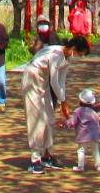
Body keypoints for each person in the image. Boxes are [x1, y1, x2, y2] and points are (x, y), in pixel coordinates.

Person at [22, 33, 91, 173]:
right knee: (37, 118)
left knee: (49, 118)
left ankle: (47, 154)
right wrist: (63, 101)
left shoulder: (66, 58)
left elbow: (61, 82)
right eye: (79, 53)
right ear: (73, 48)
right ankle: (34, 159)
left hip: (43, 82)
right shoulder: (55, 54)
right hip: (32, 79)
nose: (77, 56)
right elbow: (54, 80)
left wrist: (62, 103)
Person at [63, 88, 100, 171]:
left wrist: (66, 124)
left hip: (83, 135)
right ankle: (99, 166)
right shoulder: (94, 112)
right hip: (94, 135)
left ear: (80, 101)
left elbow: (72, 122)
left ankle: (80, 167)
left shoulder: (78, 111)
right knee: (95, 150)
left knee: (81, 150)